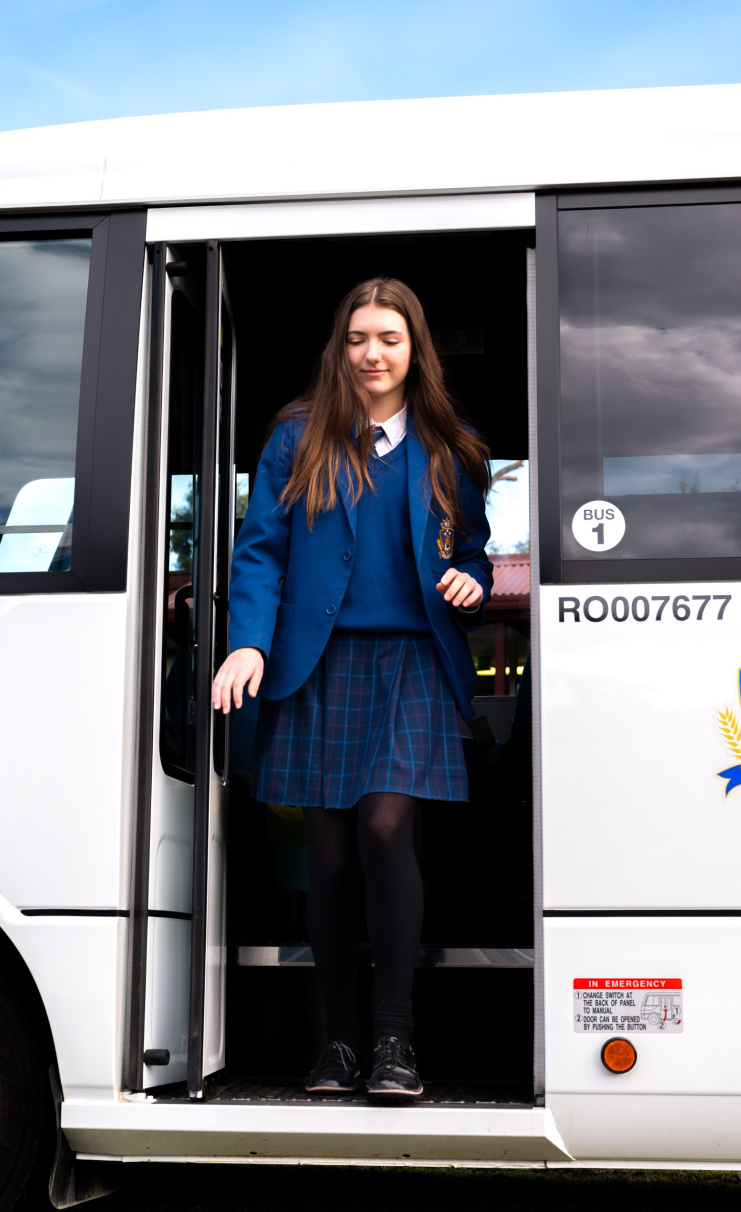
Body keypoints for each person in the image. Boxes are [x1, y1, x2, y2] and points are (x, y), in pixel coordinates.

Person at [212, 277, 492, 1101]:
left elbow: (473, 552)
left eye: (391, 339)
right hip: (316, 665)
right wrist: (248, 646)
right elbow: (259, 550)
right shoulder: (297, 438)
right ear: (341, 347)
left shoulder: (451, 446)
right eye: (360, 338)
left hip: (411, 665)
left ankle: (396, 1041)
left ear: (415, 351)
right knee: (329, 860)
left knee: (382, 827)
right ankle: (339, 1044)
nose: (373, 354)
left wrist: (471, 583)